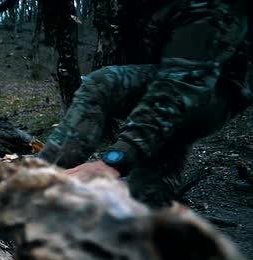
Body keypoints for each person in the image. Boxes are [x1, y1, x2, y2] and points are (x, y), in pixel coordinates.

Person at [39, 0, 251, 207]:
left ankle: (35, 181)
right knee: (149, 189)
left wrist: (115, 160)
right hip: (183, 90)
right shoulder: (139, 10)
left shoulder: (204, 8)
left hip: (213, 92)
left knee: (103, 83)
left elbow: (181, 85)